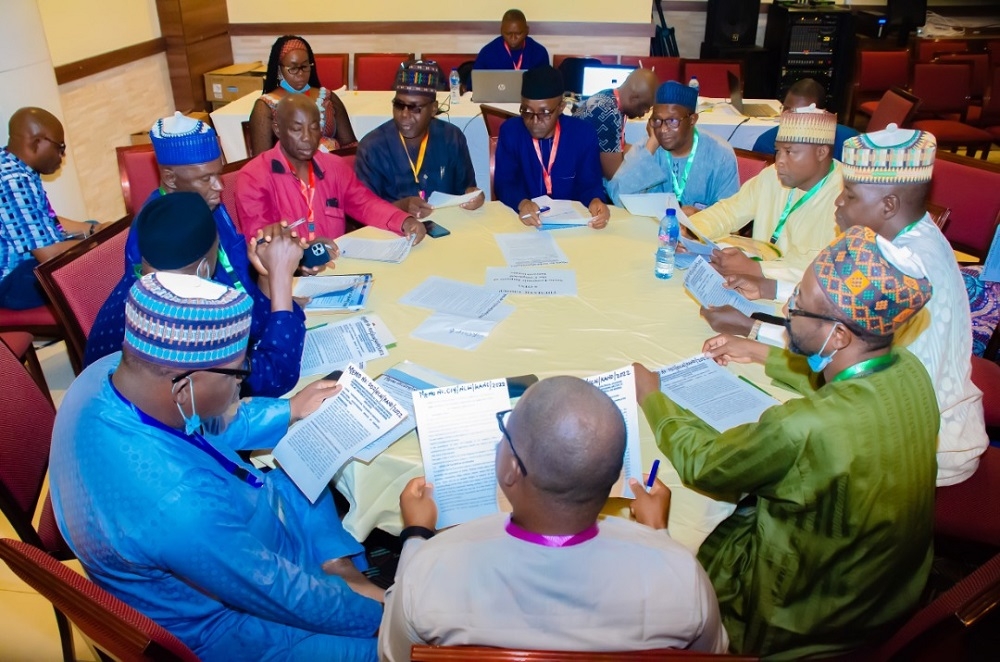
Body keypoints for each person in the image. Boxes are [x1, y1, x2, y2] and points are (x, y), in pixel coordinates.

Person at [634, 225, 938, 658]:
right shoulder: (908, 368)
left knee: (680, 537)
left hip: (800, 617)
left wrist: (654, 397)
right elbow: (843, 378)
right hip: (887, 593)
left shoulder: (805, 426)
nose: (788, 306)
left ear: (840, 336)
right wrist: (758, 351)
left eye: (801, 305)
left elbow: (706, 464)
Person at [50, 272, 384, 661]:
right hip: (230, 623)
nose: (241, 388)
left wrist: (289, 409)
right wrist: (384, 616)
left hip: (235, 538)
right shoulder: (175, 503)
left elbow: (209, 418)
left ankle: (336, 569)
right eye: (239, 374)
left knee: (307, 458)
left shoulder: (113, 372)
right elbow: (272, 590)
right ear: (183, 386)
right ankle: (344, 582)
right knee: (402, 648)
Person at [704, 127, 989, 486]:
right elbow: (842, 312)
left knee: (757, 450)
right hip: (892, 415)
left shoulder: (909, 264)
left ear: (889, 205)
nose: (838, 204)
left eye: (850, 196)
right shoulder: (902, 239)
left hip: (919, 451)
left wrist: (754, 332)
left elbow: (848, 354)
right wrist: (766, 290)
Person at [379, 376, 728, 660]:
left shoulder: (432, 568)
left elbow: (394, 655)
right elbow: (707, 654)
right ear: (615, 474)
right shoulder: (684, 576)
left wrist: (415, 534)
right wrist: (656, 536)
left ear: (511, 469)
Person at [84, 113, 307, 397]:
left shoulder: (203, 207)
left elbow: (238, 285)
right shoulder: (163, 240)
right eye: (206, 178)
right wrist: (280, 287)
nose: (219, 187)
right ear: (169, 177)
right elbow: (264, 377)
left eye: (219, 174)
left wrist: (269, 285)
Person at [237, 94, 426, 244]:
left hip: (337, 268)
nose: (307, 138)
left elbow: (365, 204)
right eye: (297, 129)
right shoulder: (254, 177)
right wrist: (304, 254)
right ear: (277, 130)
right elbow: (260, 239)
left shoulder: (333, 166)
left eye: (313, 128)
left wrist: (403, 221)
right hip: (288, 278)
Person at [690, 106, 842, 289]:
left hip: (802, 298)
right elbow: (729, 211)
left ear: (821, 153)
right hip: (752, 282)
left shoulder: (846, 196)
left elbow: (825, 268)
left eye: (789, 152)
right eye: (778, 151)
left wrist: (758, 269)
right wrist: (691, 232)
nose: (779, 161)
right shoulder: (772, 176)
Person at [1, 107, 103, 309]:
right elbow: (49, 256)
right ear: (36, 142)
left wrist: (93, 230)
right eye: (60, 147)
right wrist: (99, 244)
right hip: (10, 283)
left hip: (24, 264)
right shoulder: (13, 181)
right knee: (98, 265)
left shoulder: (13, 165)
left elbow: (48, 221)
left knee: (92, 227)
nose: (62, 156)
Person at [354, 60, 484, 219]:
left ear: (434, 109)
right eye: (399, 105)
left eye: (415, 108)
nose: (404, 115)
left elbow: (467, 190)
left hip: (447, 228)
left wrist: (473, 196)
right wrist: (400, 207)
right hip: (393, 232)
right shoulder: (372, 147)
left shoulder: (452, 138)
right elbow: (363, 209)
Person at [494, 66, 610, 229]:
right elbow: (504, 182)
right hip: (524, 222)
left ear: (561, 107)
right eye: (527, 111)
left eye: (545, 113)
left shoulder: (582, 134)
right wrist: (522, 202)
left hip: (572, 225)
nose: (534, 121)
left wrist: (595, 201)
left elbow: (589, 184)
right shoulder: (511, 131)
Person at [607, 81, 739, 213]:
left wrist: (701, 217)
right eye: (657, 120)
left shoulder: (720, 154)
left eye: (672, 121)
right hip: (651, 230)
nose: (663, 129)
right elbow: (617, 195)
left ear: (692, 120)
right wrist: (651, 145)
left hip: (701, 232)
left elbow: (731, 215)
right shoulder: (647, 148)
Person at [247, 35, 357, 157]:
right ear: (279, 69)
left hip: (333, 169)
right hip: (289, 173)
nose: (300, 74)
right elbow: (261, 160)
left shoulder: (327, 97)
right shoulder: (266, 106)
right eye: (293, 68)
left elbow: (350, 146)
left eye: (305, 67)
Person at [572, 68, 659, 179]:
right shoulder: (609, 114)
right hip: (578, 181)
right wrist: (650, 146)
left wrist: (650, 152)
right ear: (634, 99)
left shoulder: (609, 97)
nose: (646, 112)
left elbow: (620, 148)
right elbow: (614, 176)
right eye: (646, 106)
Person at [751, 78, 858, 161]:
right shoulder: (766, 143)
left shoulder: (850, 142)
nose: (793, 120)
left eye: (803, 114)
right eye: (788, 111)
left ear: (822, 114)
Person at [473, 9, 549, 73]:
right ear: (501, 31)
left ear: (527, 31)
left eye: (518, 33)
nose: (513, 38)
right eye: (508, 34)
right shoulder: (487, 52)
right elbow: (474, 84)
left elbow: (546, 83)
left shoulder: (539, 52)